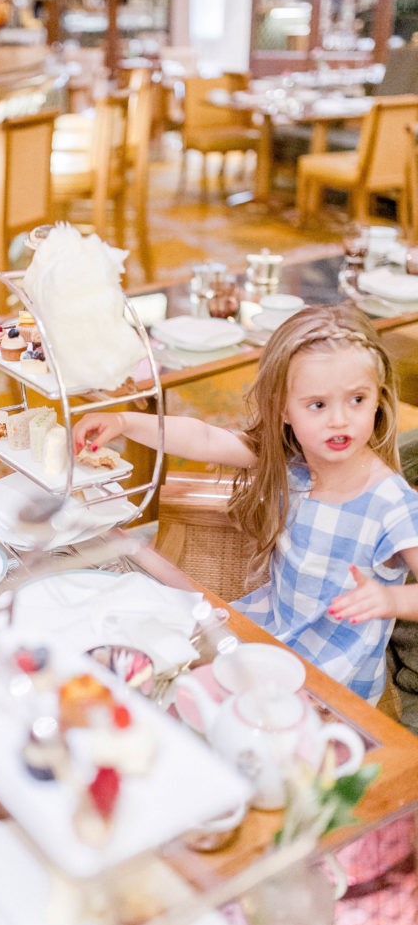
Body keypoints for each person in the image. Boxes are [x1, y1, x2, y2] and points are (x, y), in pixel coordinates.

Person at [74, 302, 418, 705]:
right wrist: (126, 423)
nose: (339, 420)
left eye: (357, 399)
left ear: (379, 398)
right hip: (270, 636)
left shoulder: (391, 503)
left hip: (334, 682)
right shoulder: (295, 462)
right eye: (318, 405)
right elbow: (204, 438)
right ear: (283, 410)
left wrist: (392, 600)